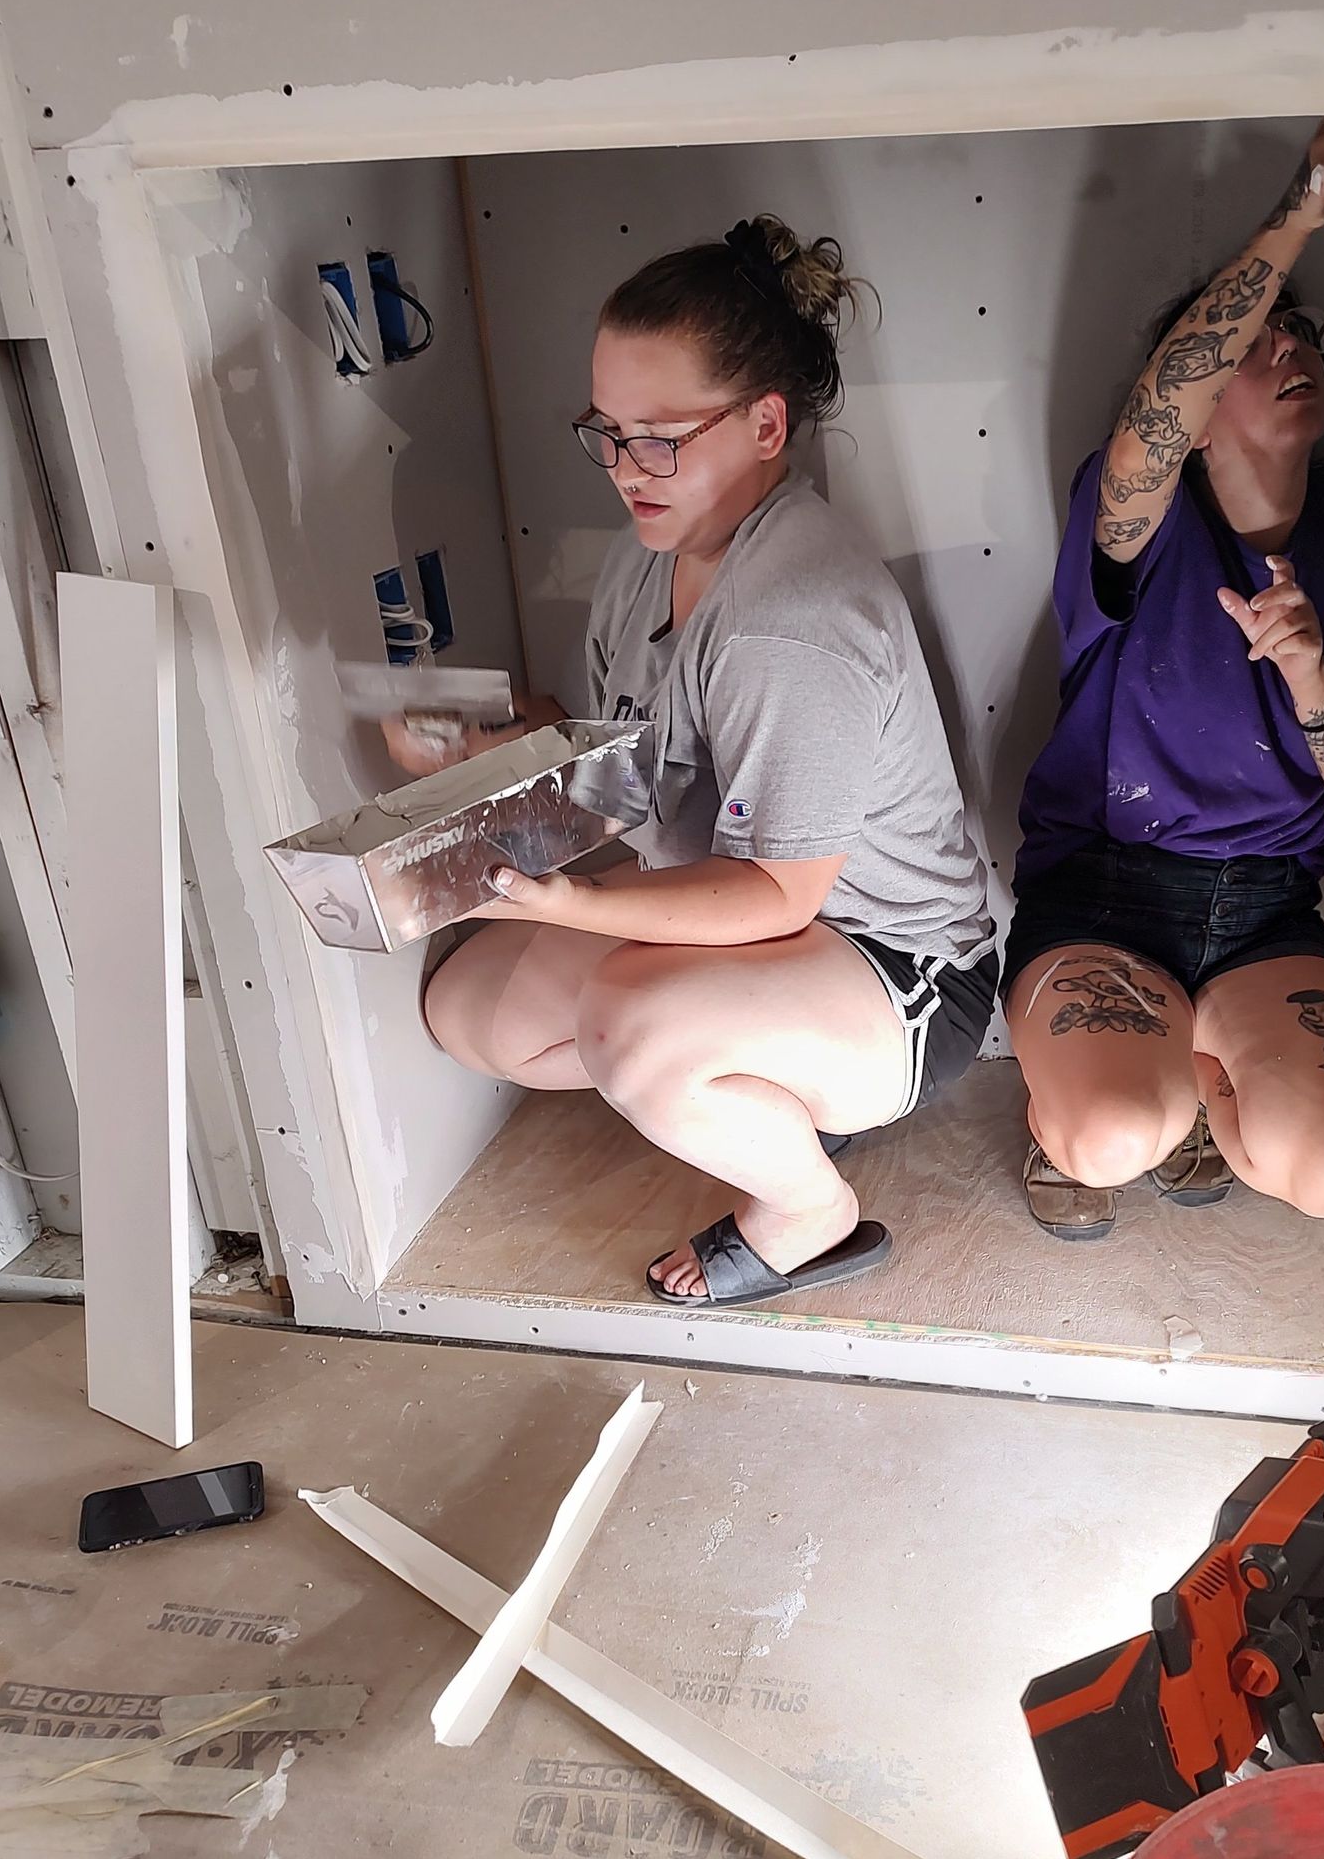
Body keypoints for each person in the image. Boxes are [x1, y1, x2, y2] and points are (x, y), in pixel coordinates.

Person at [400, 215, 997, 1305]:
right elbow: (631, 764)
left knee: (627, 1020)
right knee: (472, 1013)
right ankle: (758, 1088)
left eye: (661, 438)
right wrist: (498, 749)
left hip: (893, 966)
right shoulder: (652, 555)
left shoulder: (790, 621)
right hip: (754, 920)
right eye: (608, 431)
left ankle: (807, 1208)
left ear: (766, 422)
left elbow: (778, 894)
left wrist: (574, 904)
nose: (626, 469)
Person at [1001, 116, 1324, 1241]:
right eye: (1255, 346)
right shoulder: (1142, 519)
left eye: (1303, 336)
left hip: (1264, 908)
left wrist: (1310, 669)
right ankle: (1123, 1100)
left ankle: (1187, 1071)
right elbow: (1149, 431)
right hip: (1104, 893)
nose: (1291, 350)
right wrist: (1303, 211)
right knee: (1108, 1138)